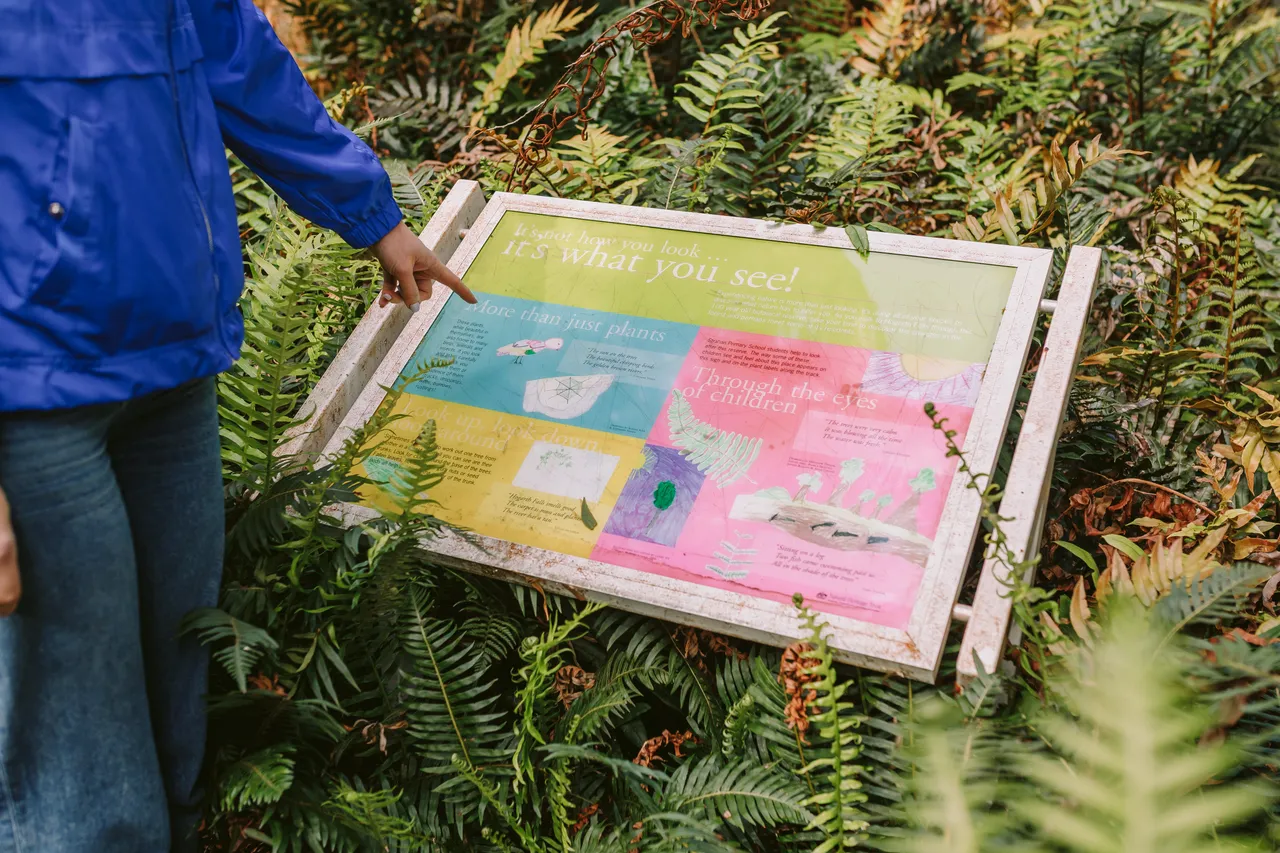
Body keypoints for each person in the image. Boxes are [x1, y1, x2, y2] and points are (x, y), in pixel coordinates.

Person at [0, 0, 477, 849]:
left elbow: (240, 62)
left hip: (173, 374)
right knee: (78, 731)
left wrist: (375, 215)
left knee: (175, 681)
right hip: (31, 400)